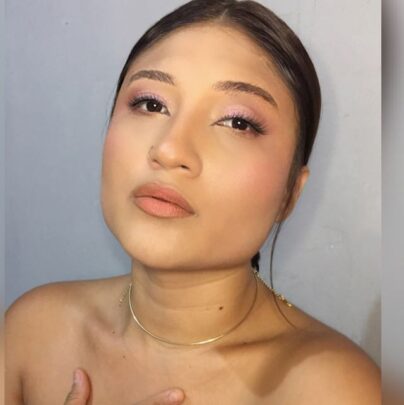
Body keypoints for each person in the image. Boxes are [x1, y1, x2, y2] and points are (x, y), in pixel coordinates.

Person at [5, 0, 381, 404]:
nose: (169, 149)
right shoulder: (33, 331)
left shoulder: (333, 390)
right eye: (151, 104)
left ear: (290, 192)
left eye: (237, 122)